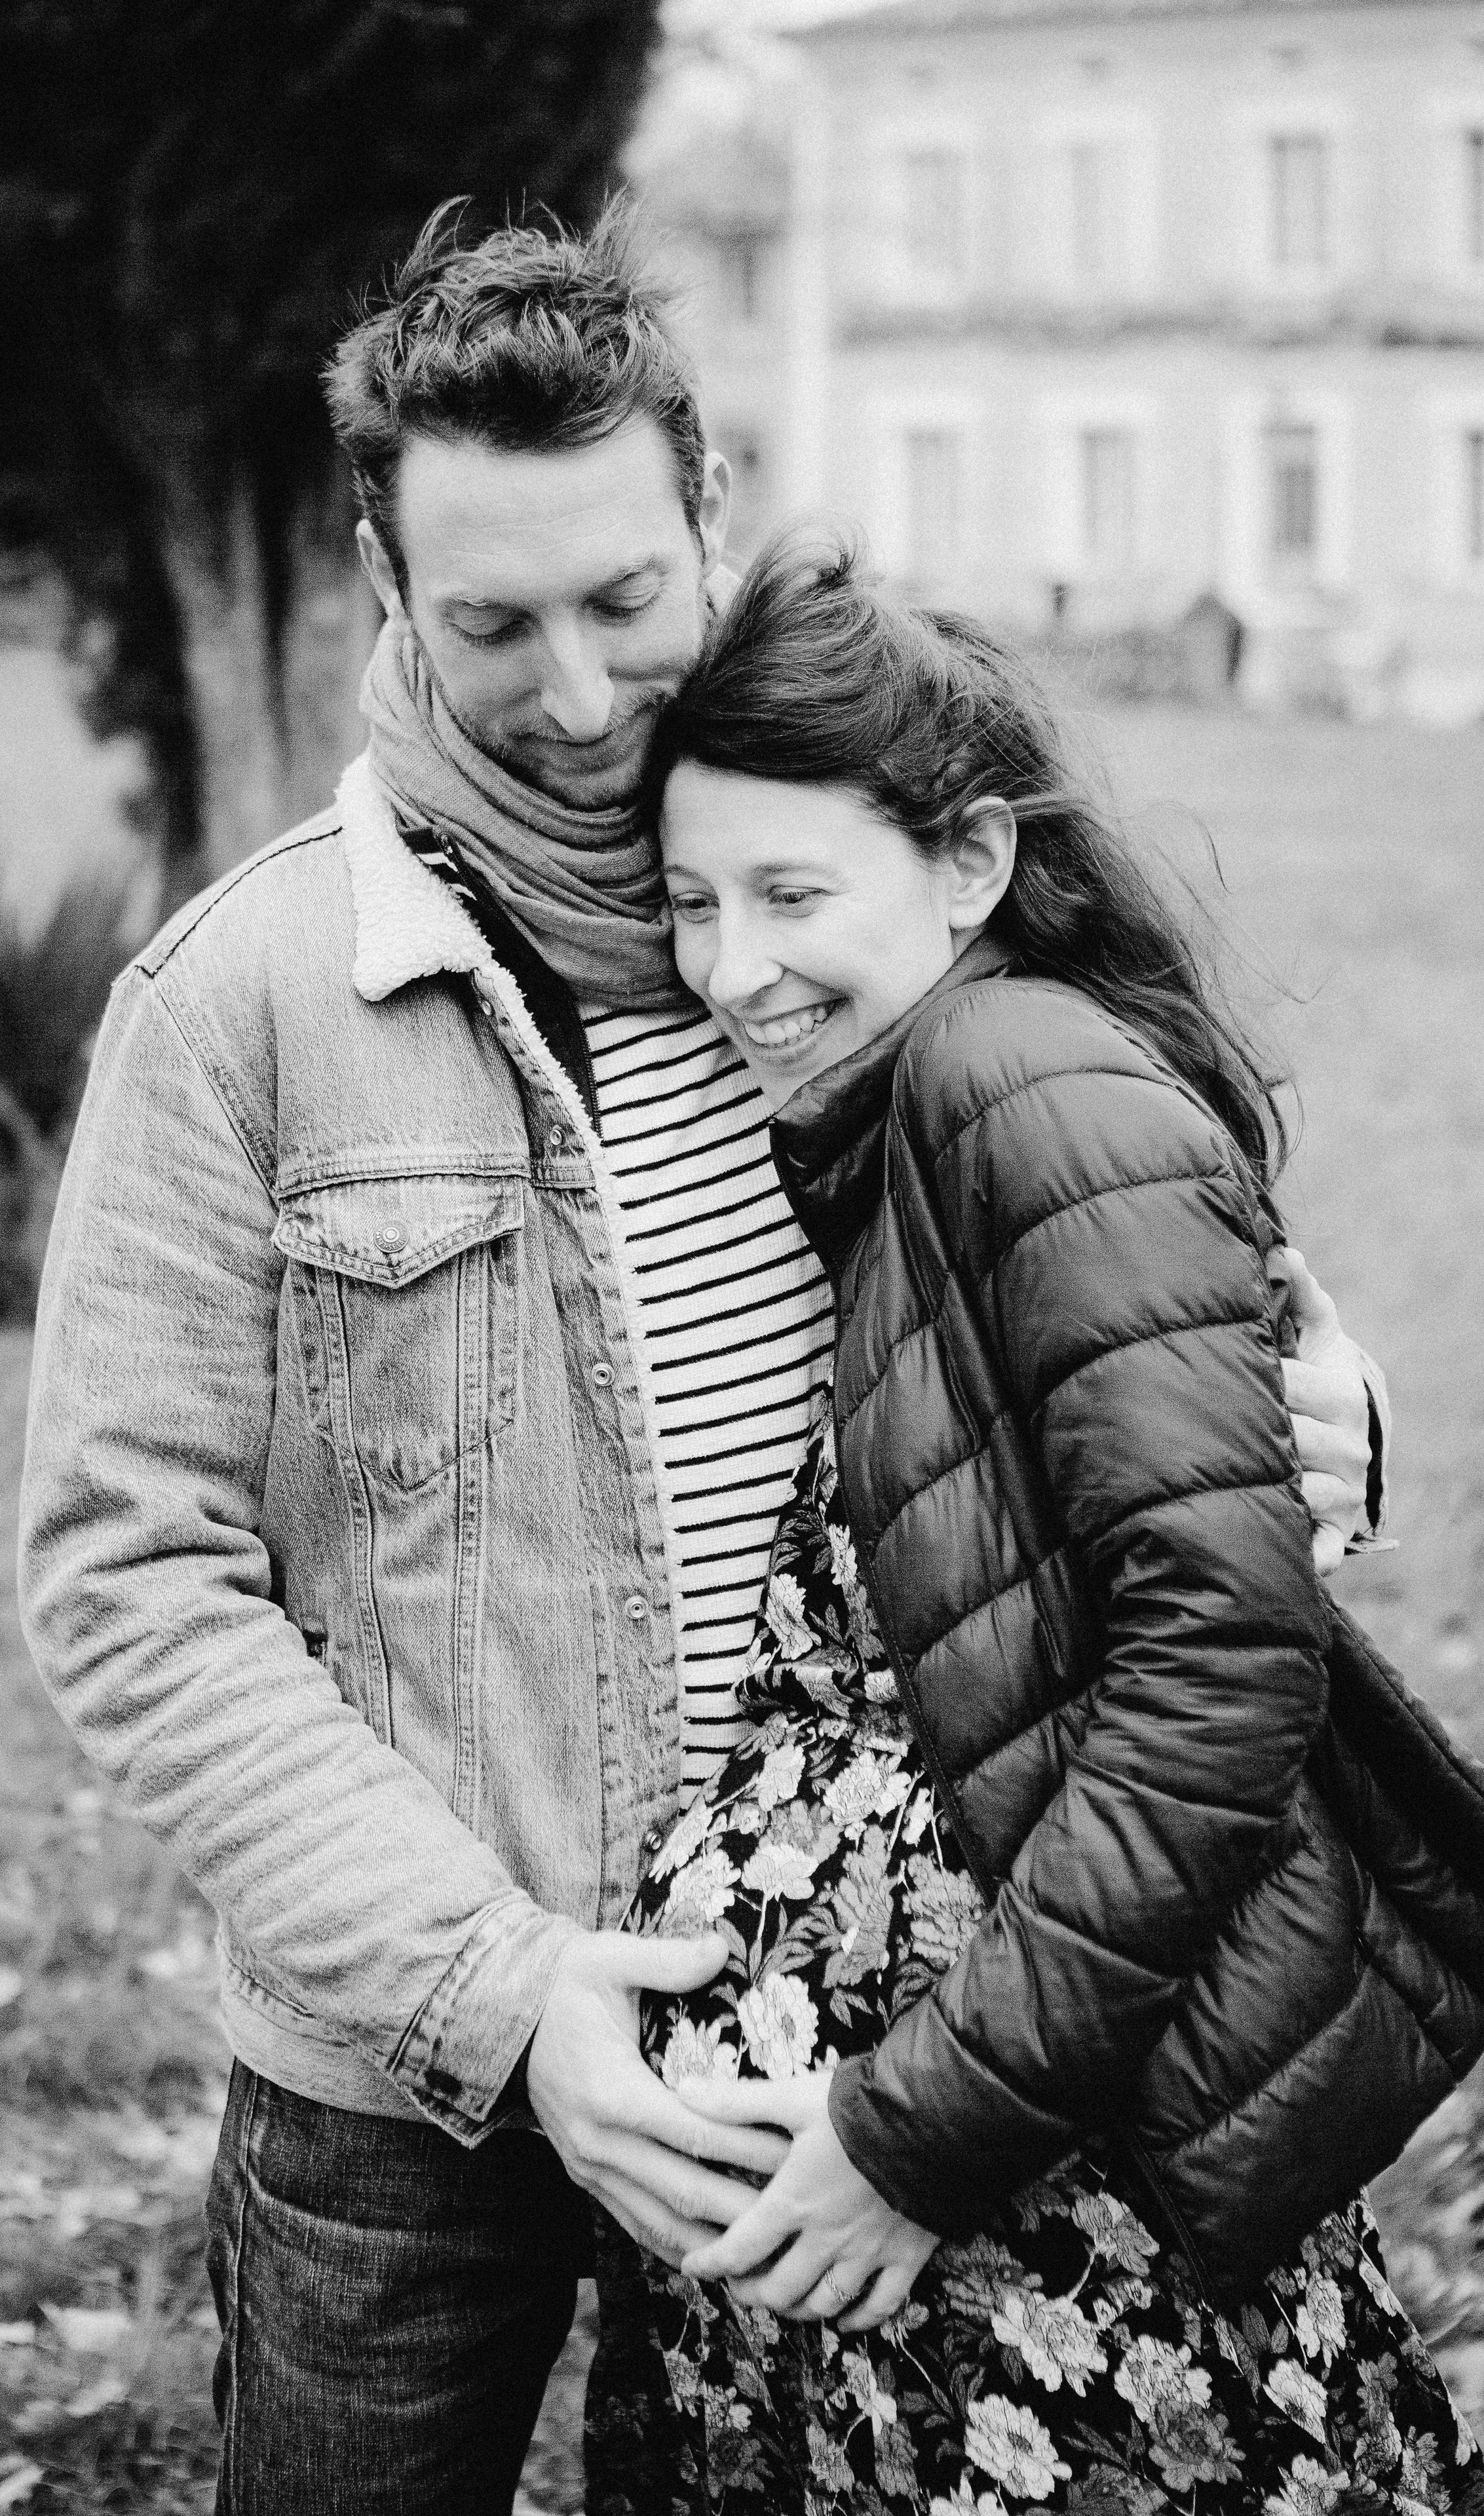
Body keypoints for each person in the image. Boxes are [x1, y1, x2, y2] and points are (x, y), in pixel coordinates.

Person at [16, 208, 1384, 2516]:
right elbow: (126, 1584)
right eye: (493, 621)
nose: (569, 693)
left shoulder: (802, 896)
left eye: (624, 601)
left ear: (710, 512)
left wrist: (1307, 1350)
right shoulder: (240, 1007)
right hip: (406, 2076)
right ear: (380, 570)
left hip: (848, 2059)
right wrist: (502, 1987)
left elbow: (1104, 1226)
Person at [617, 533, 1480, 2515]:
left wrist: (919, 2131)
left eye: (790, 893)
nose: (731, 966)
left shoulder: (1024, 1083)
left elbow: (1218, 1677)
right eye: (687, 905)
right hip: (949, 2201)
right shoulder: (913, 1100)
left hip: (1025, 2186)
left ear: (972, 865)